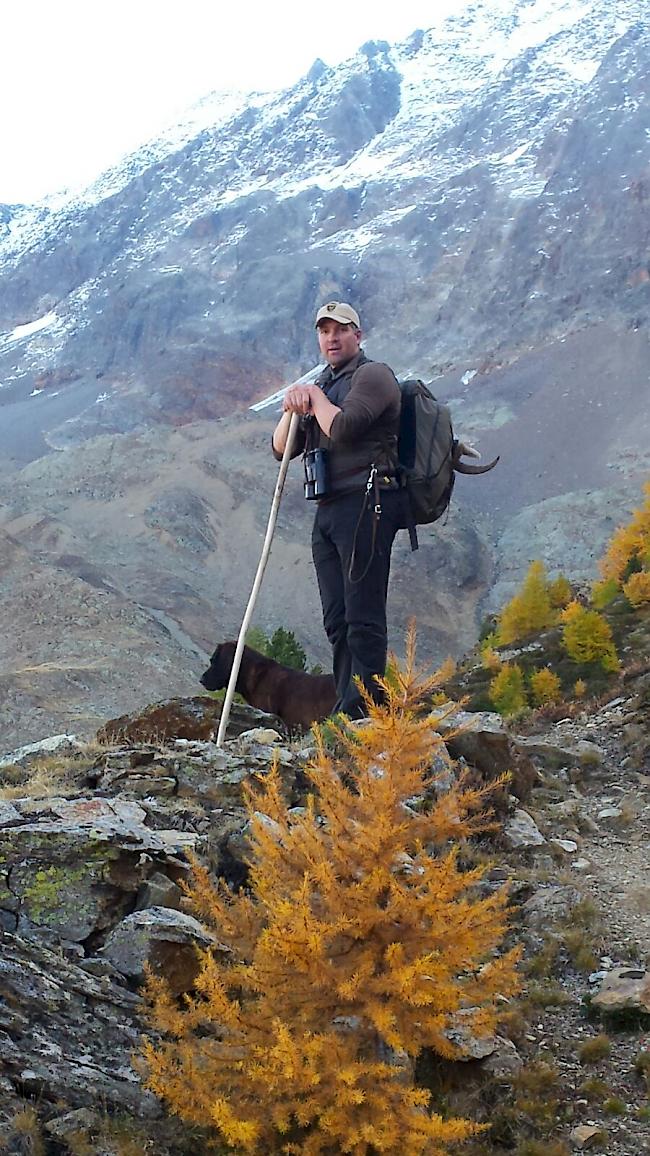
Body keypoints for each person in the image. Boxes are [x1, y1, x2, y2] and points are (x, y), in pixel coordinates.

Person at [272, 301, 403, 719]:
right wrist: (293, 407)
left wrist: (312, 398)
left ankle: (368, 712)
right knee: (337, 618)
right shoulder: (322, 385)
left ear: (357, 335)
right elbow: (280, 449)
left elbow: (344, 429)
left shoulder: (374, 376)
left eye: (341, 329)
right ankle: (350, 707)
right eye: (324, 330)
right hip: (327, 509)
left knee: (362, 615)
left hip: (366, 504)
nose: (332, 337)